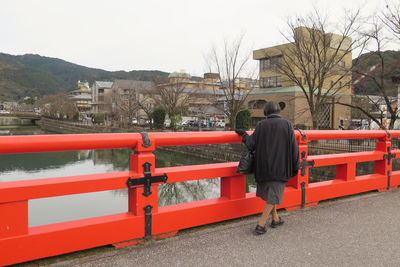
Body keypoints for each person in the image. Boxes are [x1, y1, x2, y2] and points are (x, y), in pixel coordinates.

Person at [235, 101, 299, 235]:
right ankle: (261, 225)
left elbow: (251, 144)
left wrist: (244, 135)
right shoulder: (287, 124)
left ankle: (275, 219)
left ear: (265, 114)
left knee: (272, 194)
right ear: (278, 112)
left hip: (263, 167)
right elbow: (294, 148)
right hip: (281, 167)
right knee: (273, 196)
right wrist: (295, 166)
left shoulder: (261, 125)